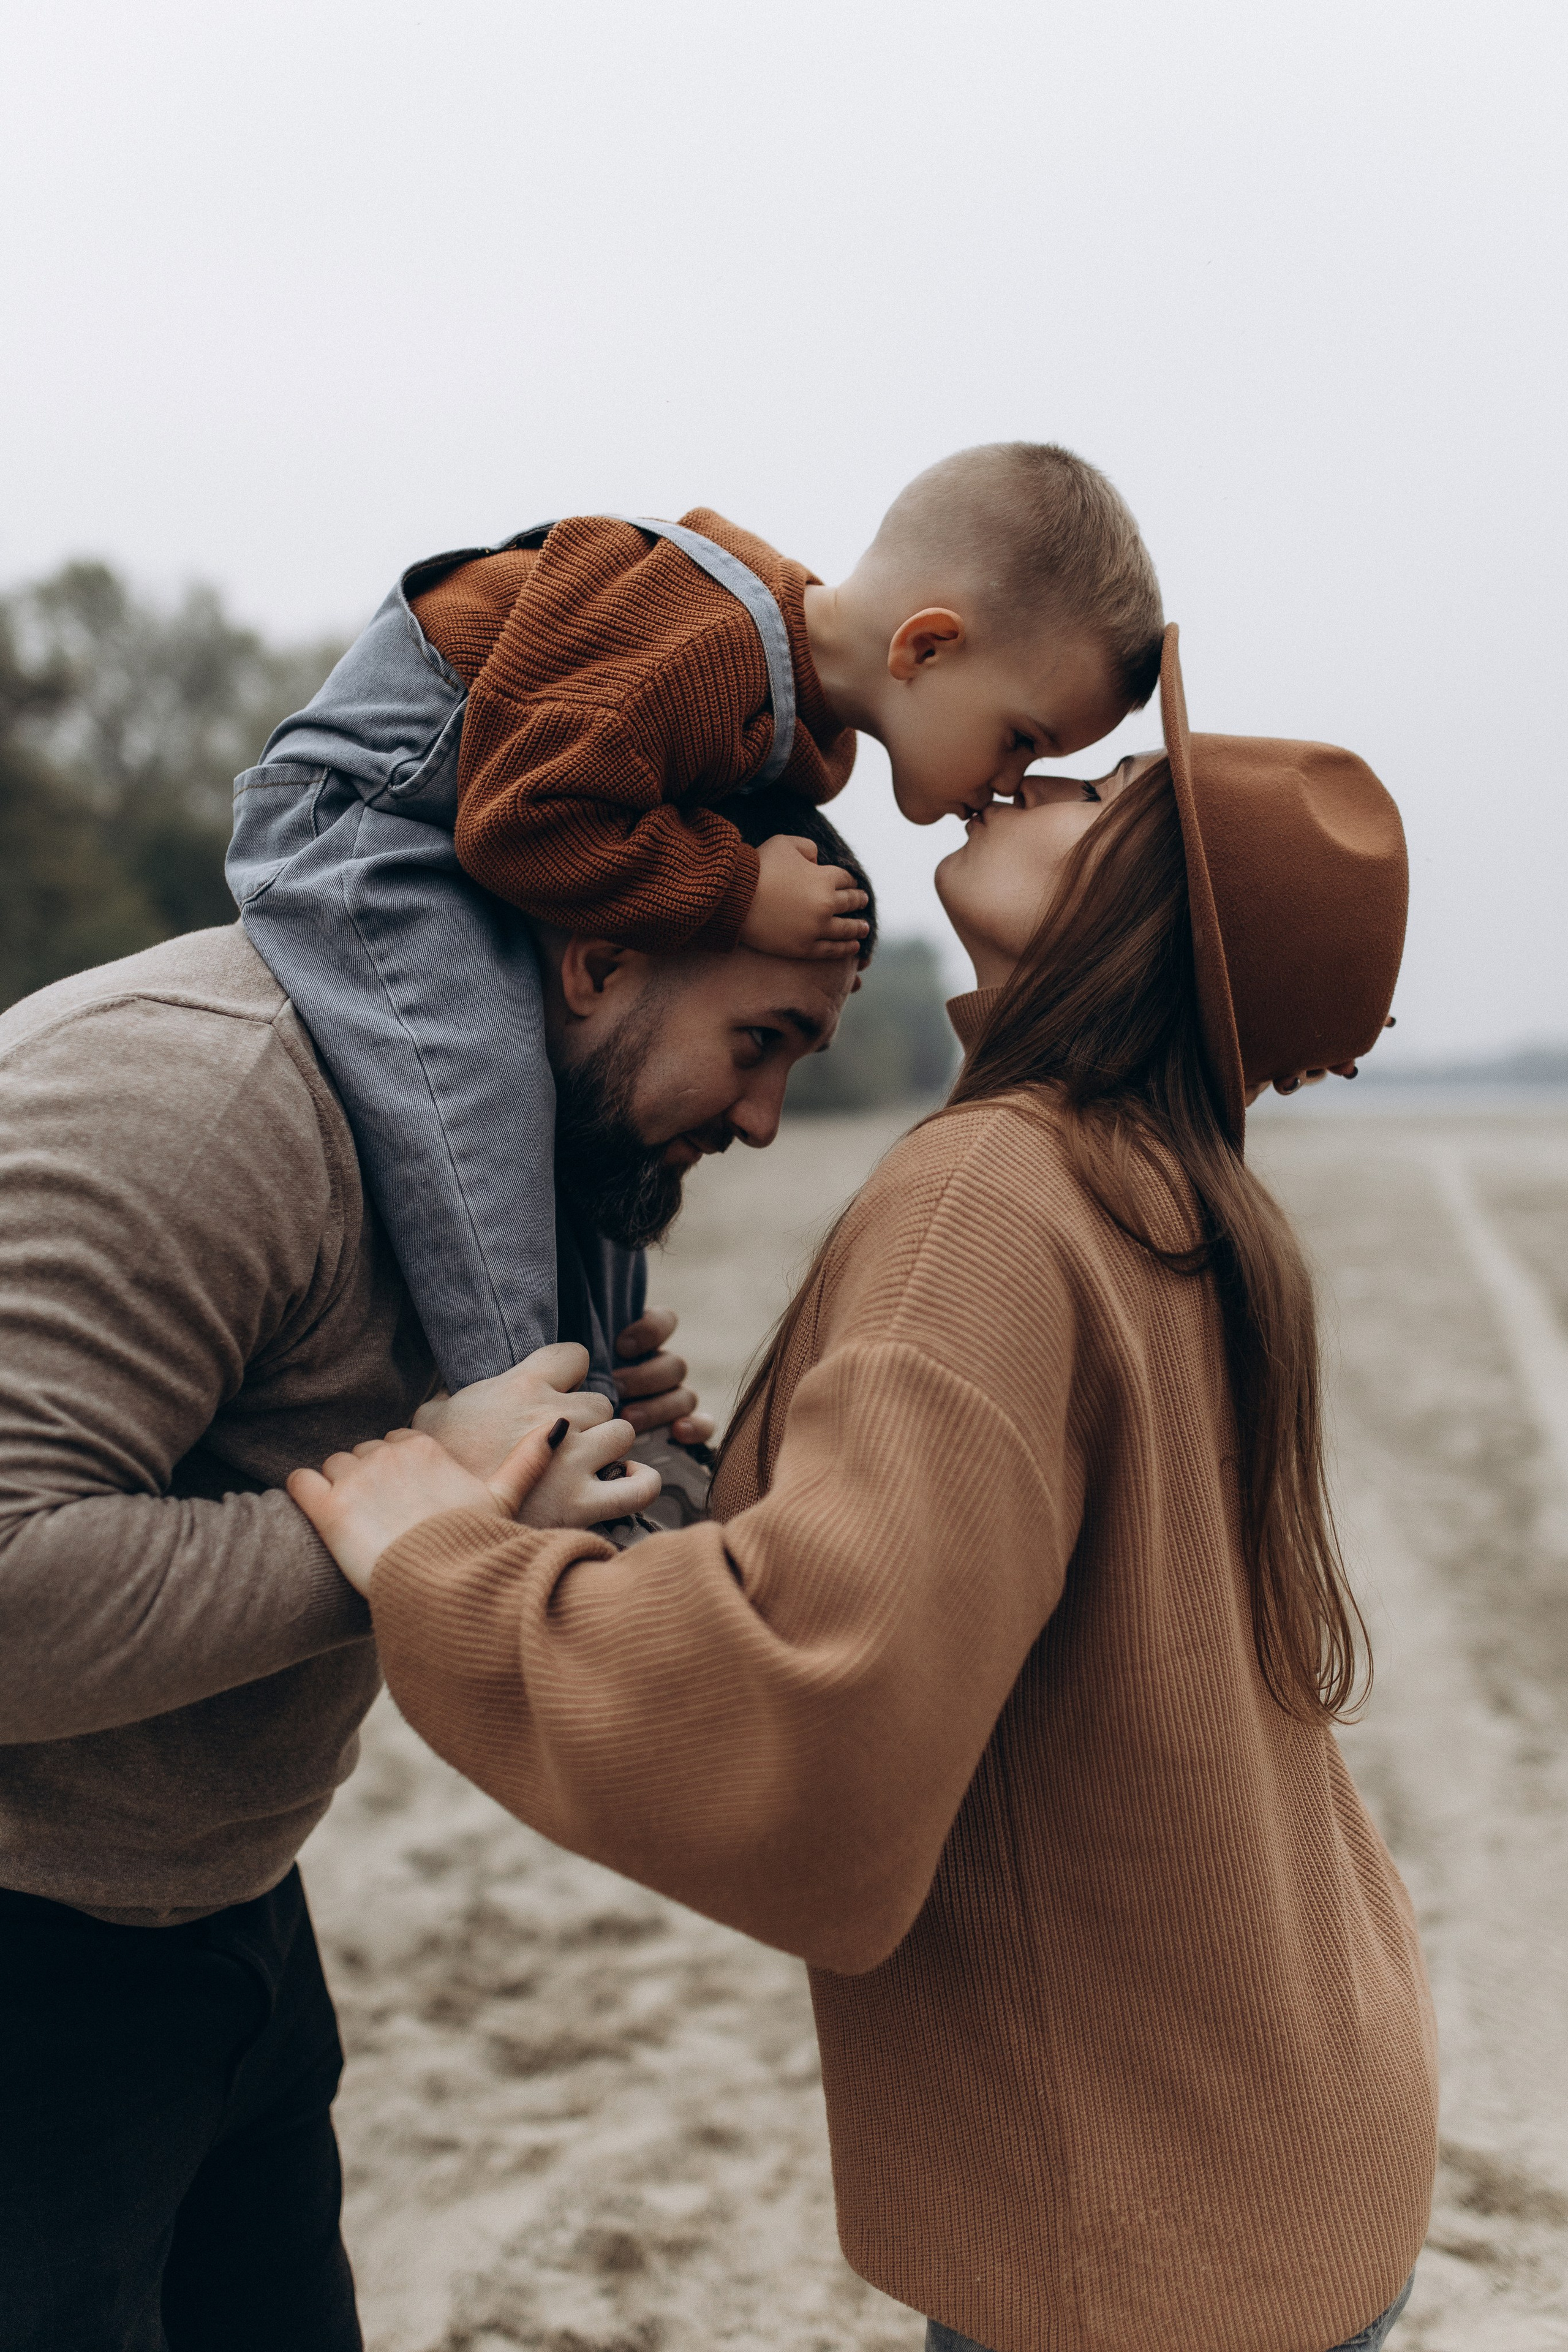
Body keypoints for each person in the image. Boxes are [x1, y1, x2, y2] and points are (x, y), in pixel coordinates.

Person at [292, 627, 1436, 2352]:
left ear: (1147, 910)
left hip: (1146, 2230)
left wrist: (444, 1562)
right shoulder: (1180, 1199)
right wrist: (699, 1488)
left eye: (1113, 790)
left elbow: (821, 1732)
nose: (1048, 778)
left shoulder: (997, 1193)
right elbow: (1014, 1618)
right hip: (1295, 2134)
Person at [0, 786, 870, 2351]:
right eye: (759, 1042)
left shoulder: (518, 1180)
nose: (760, 1121)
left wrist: (635, 1467)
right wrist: (428, 1520)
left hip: (231, 1915)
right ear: (599, 961)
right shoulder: (205, 1100)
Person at [229, 443, 1163, 1393]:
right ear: (924, 648)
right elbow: (517, 820)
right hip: (363, 814)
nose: (1011, 784)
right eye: (1021, 740)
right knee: (478, 1089)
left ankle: (602, 1374)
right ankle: (523, 1412)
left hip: (473, 820)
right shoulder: (702, 645)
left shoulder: (807, 721)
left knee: (602, 1130)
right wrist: (739, 889)